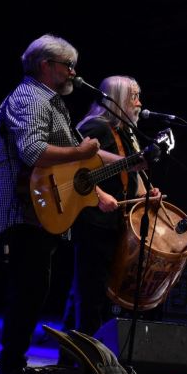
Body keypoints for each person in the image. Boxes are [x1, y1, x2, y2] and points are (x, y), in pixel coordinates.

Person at [0, 34, 122, 374]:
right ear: (46, 66)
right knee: (26, 290)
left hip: (39, 212)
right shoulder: (30, 98)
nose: (74, 74)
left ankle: (14, 366)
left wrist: (128, 163)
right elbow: (34, 152)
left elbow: (82, 152)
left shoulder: (50, 101)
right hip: (22, 209)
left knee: (34, 290)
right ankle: (9, 370)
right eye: (68, 66)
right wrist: (81, 154)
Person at [68, 75, 160, 338]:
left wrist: (147, 193)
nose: (139, 103)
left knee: (97, 296)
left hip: (113, 224)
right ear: (118, 99)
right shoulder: (96, 127)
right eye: (134, 97)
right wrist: (98, 195)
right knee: (89, 296)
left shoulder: (123, 132)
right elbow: (72, 168)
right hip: (93, 221)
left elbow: (128, 175)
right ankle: (80, 361)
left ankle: (82, 358)